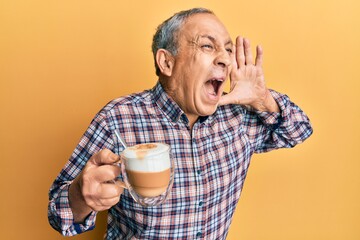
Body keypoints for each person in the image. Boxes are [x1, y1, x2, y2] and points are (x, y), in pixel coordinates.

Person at [48, 8, 313, 239]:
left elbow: (299, 130)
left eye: (228, 49)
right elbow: (59, 215)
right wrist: (81, 197)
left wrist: (262, 99)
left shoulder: (238, 119)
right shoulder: (118, 118)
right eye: (207, 46)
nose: (224, 58)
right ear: (166, 62)